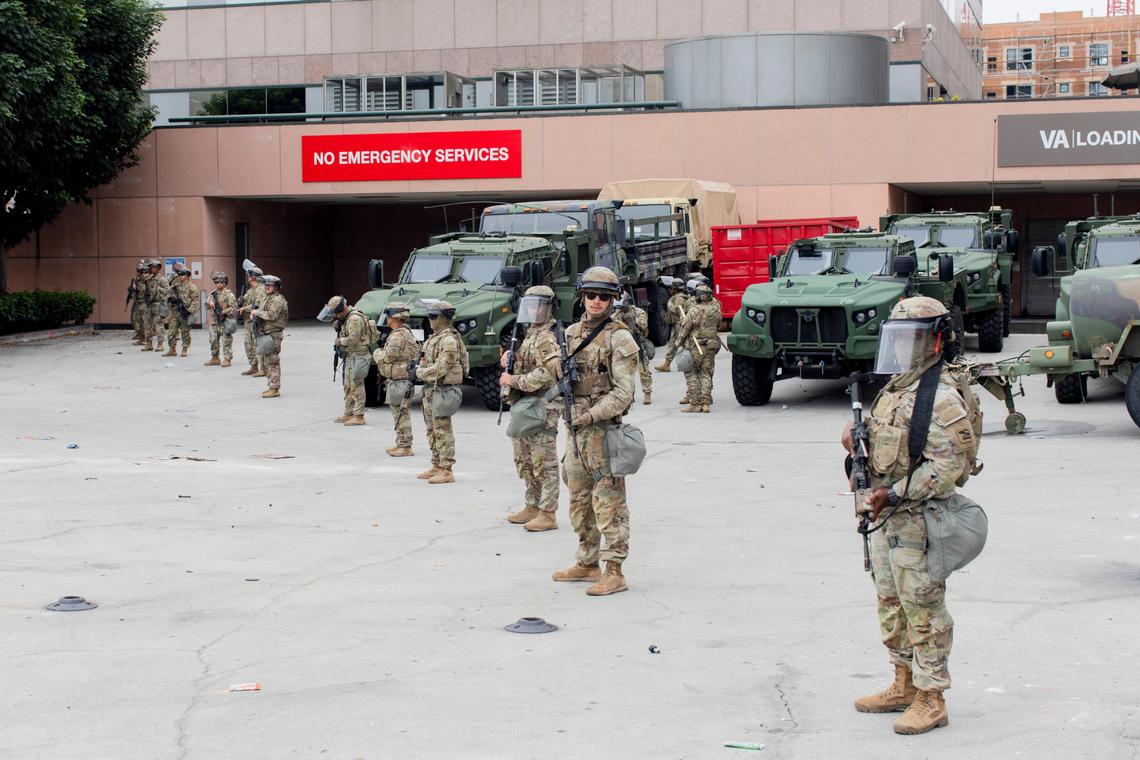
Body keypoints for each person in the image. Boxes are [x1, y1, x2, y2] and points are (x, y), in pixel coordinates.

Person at [843, 296, 979, 736]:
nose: (903, 347)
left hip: (918, 520)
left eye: (913, 338)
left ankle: (931, 697)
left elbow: (947, 468)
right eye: (897, 338)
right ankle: (903, 682)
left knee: (923, 609)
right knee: (890, 603)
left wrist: (893, 493)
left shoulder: (939, 398)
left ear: (935, 341)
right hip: (886, 521)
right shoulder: (898, 387)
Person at [552, 266, 638, 596]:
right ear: (582, 297)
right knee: (578, 499)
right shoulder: (571, 333)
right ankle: (587, 563)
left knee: (608, 503)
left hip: (602, 433)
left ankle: (614, 571)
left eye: (604, 296)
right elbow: (555, 376)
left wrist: (591, 415)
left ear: (613, 300)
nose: (596, 301)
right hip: (574, 432)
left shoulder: (619, 338)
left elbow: (623, 393)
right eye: (591, 295)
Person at [499, 285, 562, 532]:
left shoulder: (547, 336)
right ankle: (532, 504)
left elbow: (548, 373)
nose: (534, 311)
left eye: (539, 306)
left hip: (542, 405)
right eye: (530, 305)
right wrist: (510, 360)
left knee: (544, 461)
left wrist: (514, 381)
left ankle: (548, 512)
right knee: (525, 459)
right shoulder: (530, 334)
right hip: (526, 405)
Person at [413, 299, 468, 484]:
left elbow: (443, 367)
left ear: (444, 318)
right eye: (429, 315)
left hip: (443, 389)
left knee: (442, 429)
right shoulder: (434, 337)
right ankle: (436, 464)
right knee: (432, 429)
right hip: (432, 389)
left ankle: (446, 469)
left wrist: (419, 373)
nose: (430, 319)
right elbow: (424, 359)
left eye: (434, 316)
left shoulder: (449, 340)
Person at [372, 302, 420, 457]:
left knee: (400, 414)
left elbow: (386, 357)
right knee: (399, 412)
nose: (387, 319)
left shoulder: (397, 336)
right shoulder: (406, 332)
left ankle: (405, 446)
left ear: (393, 317)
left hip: (400, 381)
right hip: (401, 380)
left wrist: (377, 352)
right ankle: (401, 443)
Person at [318, 295, 373, 426]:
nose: (336, 316)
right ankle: (349, 413)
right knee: (348, 385)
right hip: (351, 355)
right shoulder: (346, 318)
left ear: (341, 309)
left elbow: (353, 339)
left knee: (357, 385)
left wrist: (339, 341)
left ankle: (359, 416)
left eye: (336, 313)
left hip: (359, 355)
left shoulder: (354, 319)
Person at [672, 280, 721, 413]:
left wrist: (678, 343)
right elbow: (718, 325)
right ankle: (705, 403)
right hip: (711, 344)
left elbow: (685, 328)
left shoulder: (694, 310)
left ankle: (694, 403)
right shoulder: (716, 308)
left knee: (691, 374)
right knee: (706, 373)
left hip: (696, 346)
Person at [250, 275, 288, 398]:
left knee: (273, 361)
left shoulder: (277, 300)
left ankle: (274, 388)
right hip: (266, 333)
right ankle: (271, 386)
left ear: (276, 287)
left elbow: (272, 315)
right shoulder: (268, 298)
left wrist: (257, 312)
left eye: (270, 285)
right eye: (266, 285)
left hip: (273, 334)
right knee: (267, 361)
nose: (267, 287)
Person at [616, 291, 652, 405]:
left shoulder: (638, 311)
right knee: (627, 371)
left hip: (638, 343)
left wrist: (631, 319)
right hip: (625, 346)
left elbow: (643, 325)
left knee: (643, 369)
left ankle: (647, 392)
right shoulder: (617, 314)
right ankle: (630, 394)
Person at [163, 264, 200, 357]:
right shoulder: (176, 286)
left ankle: (184, 349)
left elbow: (195, 301)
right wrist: (171, 302)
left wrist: (189, 311)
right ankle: (172, 349)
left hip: (186, 313)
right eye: (179, 274)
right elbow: (168, 295)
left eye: (183, 274)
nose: (180, 276)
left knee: (185, 332)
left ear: (187, 275)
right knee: (172, 331)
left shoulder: (192, 287)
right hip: (175, 312)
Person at [203, 271, 238, 367]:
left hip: (225, 321)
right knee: (213, 340)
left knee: (226, 340)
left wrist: (223, 312)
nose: (219, 284)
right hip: (214, 321)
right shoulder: (212, 294)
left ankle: (227, 359)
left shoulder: (229, 295)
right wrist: (209, 303)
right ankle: (215, 358)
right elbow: (206, 305)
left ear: (225, 283)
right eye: (217, 282)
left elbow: (233, 308)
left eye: (221, 282)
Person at [654, 277, 688, 372]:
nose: (670, 290)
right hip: (676, 324)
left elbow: (679, 310)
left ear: (675, 289)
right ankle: (667, 364)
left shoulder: (679, 298)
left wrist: (669, 305)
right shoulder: (678, 297)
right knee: (673, 345)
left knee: (681, 345)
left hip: (679, 325)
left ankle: (693, 363)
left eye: (671, 288)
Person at [239, 267, 267, 377]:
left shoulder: (260, 289)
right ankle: (253, 366)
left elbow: (258, 305)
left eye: (249, 275)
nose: (247, 277)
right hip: (248, 321)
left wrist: (244, 308)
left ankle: (263, 368)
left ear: (253, 277)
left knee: (257, 344)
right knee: (248, 344)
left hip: (256, 321)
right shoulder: (251, 289)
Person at [141, 260, 170, 352]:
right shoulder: (148, 279)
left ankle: (160, 344)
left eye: (154, 267)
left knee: (158, 324)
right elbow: (144, 291)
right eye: (151, 267)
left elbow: (168, 291)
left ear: (158, 268)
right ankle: (149, 343)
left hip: (158, 304)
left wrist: (157, 288)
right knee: (147, 324)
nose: (152, 269)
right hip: (148, 304)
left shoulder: (162, 279)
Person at [128, 261, 148, 344]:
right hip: (138, 301)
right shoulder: (137, 279)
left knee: (144, 321)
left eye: (141, 271)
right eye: (139, 271)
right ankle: (141, 335)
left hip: (145, 302)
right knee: (137, 319)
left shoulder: (147, 279)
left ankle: (145, 338)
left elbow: (147, 291)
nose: (140, 273)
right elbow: (135, 291)